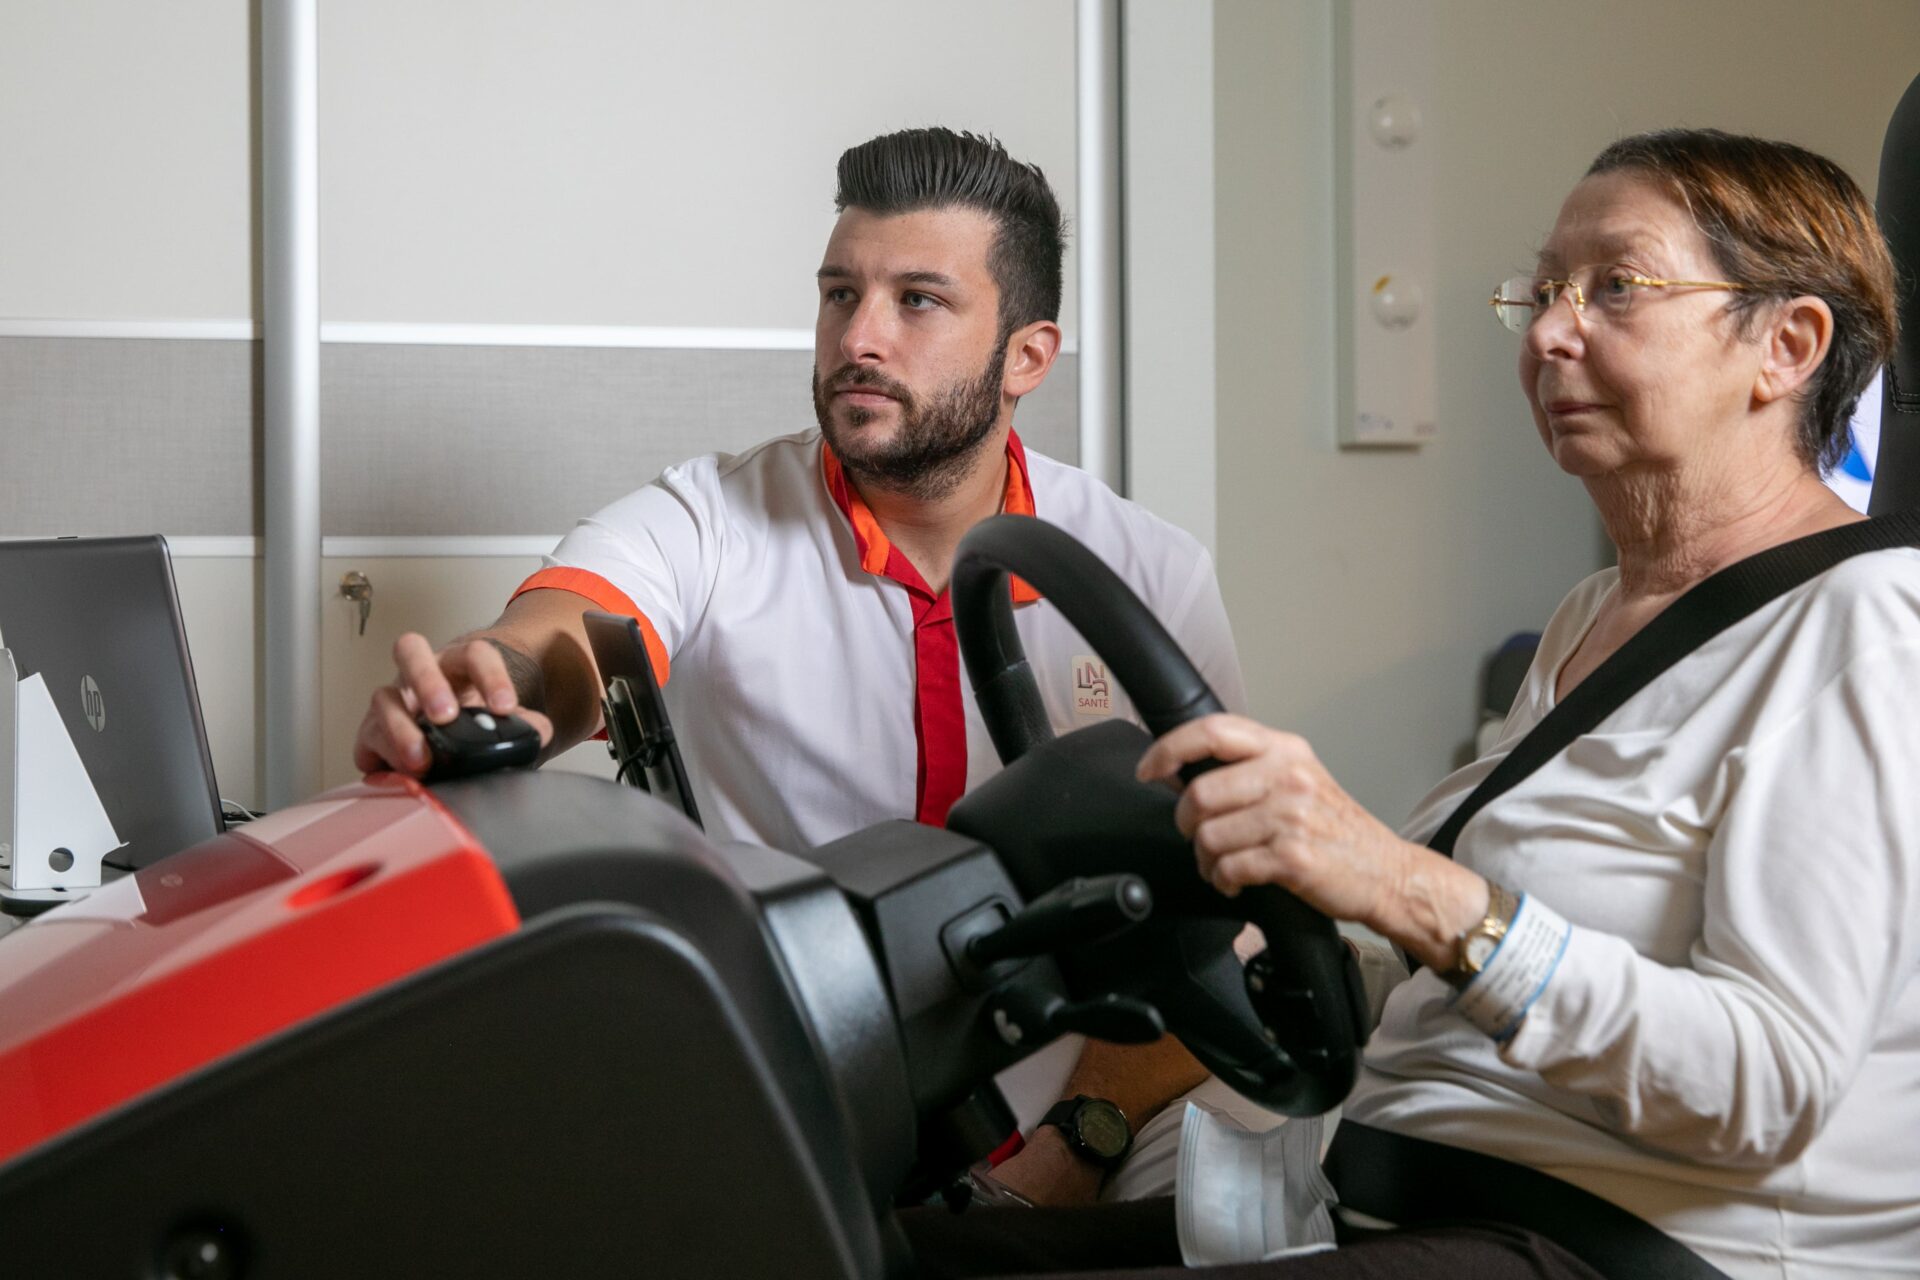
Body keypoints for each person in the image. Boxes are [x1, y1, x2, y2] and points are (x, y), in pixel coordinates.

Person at [908, 129, 1915, 1279]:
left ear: (1786, 345)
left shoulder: (1872, 625)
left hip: (1611, 1247)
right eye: (1544, 291)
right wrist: (1264, 916)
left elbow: (1766, 1084)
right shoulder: (1596, 614)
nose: (1548, 333)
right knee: (877, 1251)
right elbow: (1481, 962)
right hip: (1401, 1205)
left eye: (1618, 288)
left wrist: (1395, 879)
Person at [351, 127, 1249, 1205]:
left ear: (1027, 356)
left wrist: (1079, 1138)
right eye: (839, 295)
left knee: (1246, 1179)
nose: (858, 338)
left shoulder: (1152, 570)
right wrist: (496, 690)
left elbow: (1218, 921)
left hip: (1074, 1111)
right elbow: (569, 637)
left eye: (918, 301)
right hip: (798, 1111)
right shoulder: (711, 517)